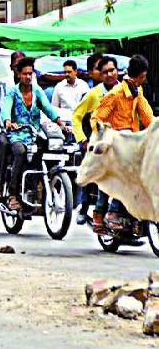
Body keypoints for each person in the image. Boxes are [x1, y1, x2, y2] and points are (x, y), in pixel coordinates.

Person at [90, 54, 155, 231]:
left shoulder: (136, 92)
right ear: (141, 75)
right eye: (144, 76)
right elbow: (96, 118)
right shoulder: (115, 94)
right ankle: (109, 212)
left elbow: (147, 116)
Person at [0, 57, 68, 211]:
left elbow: (48, 108)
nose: (28, 77)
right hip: (16, 134)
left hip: (33, 133)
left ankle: (38, 186)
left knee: (48, 149)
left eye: (30, 74)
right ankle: (13, 194)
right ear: (19, 74)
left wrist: (61, 123)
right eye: (25, 74)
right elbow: (6, 108)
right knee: (20, 152)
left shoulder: (37, 91)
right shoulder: (12, 92)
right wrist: (8, 121)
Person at [71, 55, 118, 225]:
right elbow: (76, 116)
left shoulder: (126, 91)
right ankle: (85, 207)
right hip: (96, 141)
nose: (108, 74)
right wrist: (82, 139)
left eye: (111, 70)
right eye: (104, 71)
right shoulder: (93, 94)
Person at [0, 51, 26, 199]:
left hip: (26, 129)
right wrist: (7, 122)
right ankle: (0, 183)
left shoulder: (32, 83)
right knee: (3, 144)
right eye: (16, 65)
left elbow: (41, 104)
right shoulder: (5, 83)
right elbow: (1, 105)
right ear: (12, 67)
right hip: (8, 128)